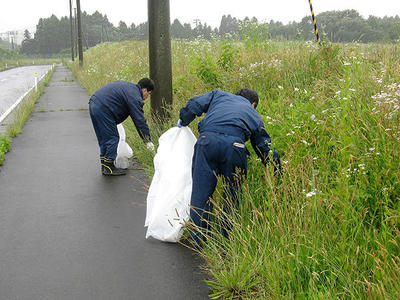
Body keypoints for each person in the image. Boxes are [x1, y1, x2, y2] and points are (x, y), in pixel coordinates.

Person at [178, 88, 278, 244]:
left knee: (201, 192)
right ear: (253, 104)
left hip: (206, 141)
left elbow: (195, 104)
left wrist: (184, 120)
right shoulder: (253, 113)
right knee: (232, 194)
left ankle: (199, 239)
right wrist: (275, 168)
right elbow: (263, 145)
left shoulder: (218, 95)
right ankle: (226, 238)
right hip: (235, 147)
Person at [89, 78, 155, 176]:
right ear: (144, 90)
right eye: (148, 94)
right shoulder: (135, 96)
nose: (146, 97)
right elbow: (139, 120)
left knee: (104, 138)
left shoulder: (129, 88)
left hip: (94, 103)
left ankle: (105, 165)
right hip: (104, 108)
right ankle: (109, 167)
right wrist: (147, 140)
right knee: (113, 137)